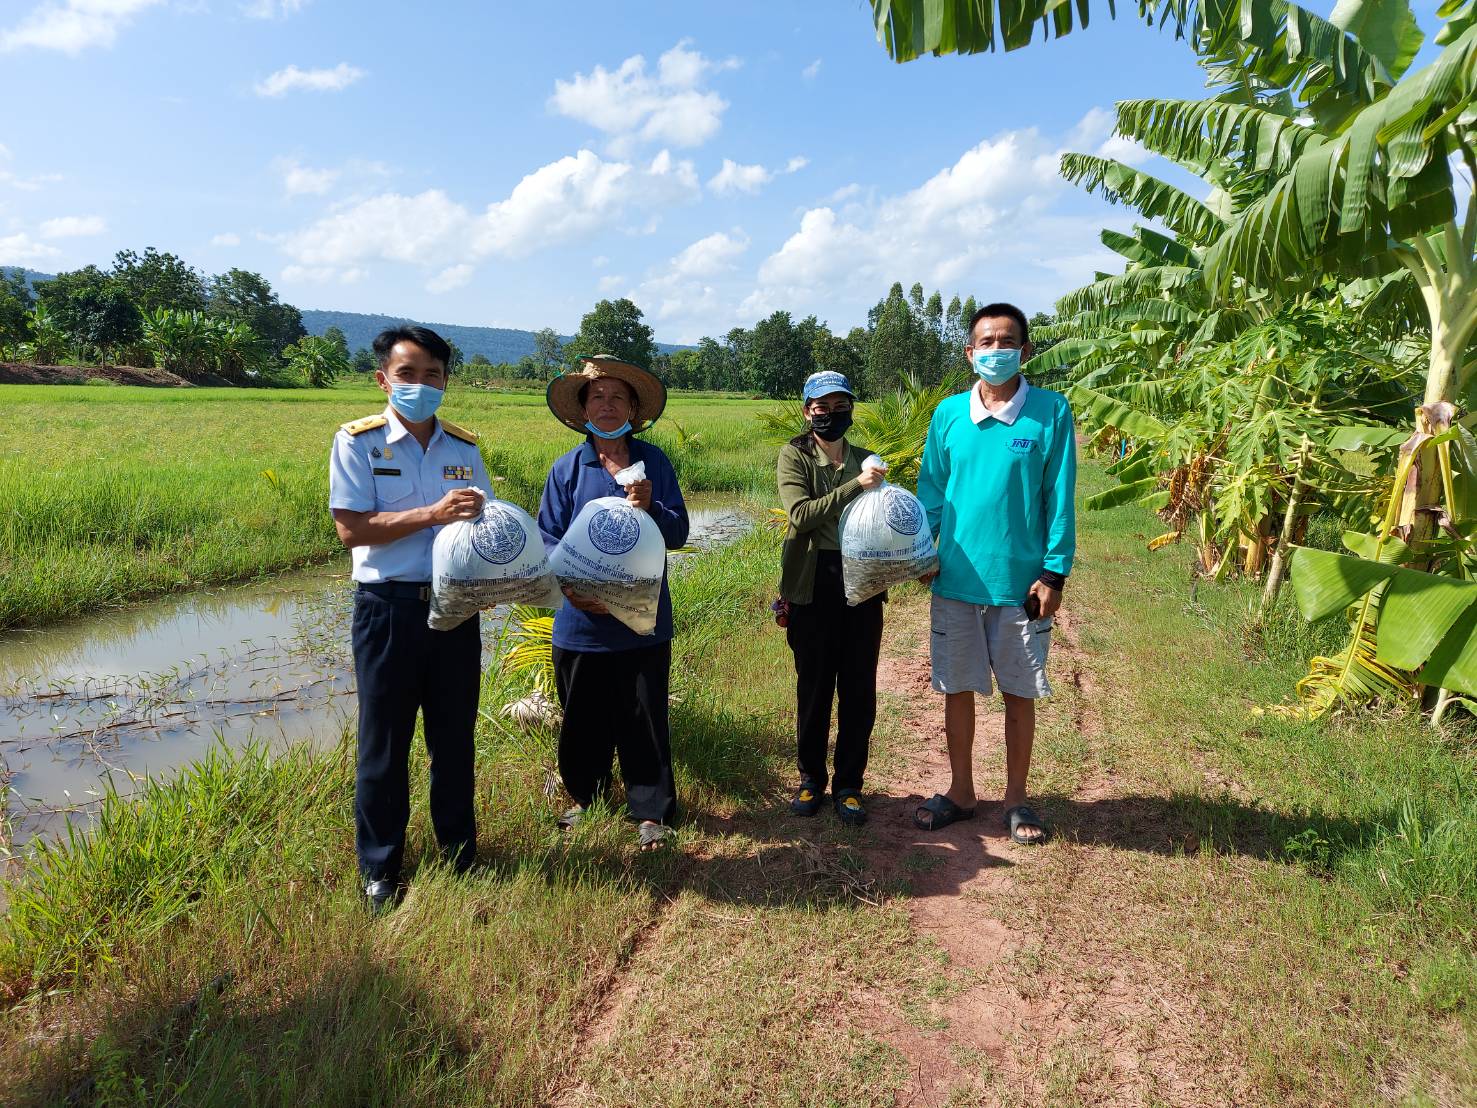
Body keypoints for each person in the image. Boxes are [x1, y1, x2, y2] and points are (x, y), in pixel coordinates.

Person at [328, 325, 491, 913]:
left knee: (454, 739)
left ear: (446, 381)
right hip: (388, 611)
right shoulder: (359, 443)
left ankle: (459, 850)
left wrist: (499, 573)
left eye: (432, 375)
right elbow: (352, 529)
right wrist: (432, 514)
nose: (420, 385)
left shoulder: (463, 449)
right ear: (383, 379)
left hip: (454, 609)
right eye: (408, 374)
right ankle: (380, 868)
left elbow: (483, 525)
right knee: (384, 744)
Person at [914, 303, 1076, 845]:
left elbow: (1060, 497)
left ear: (1025, 351)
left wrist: (1053, 574)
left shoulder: (1050, 412)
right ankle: (962, 791)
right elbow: (931, 492)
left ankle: (1016, 798)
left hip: (1019, 584)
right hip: (956, 579)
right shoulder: (949, 415)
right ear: (970, 353)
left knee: (1018, 691)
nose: (995, 350)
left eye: (1006, 341)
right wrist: (917, 552)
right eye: (985, 342)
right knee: (955, 687)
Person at [537, 355, 689, 851]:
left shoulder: (655, 465)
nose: (607, 405)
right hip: (579, 620)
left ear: (633, 410)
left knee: (644, 713)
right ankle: (585, 797)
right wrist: (575, 590)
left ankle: (651, 811)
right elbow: (546, 540)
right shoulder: (567, 469)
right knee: (581, 715)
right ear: (582, 410)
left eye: (617, 397)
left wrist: (652, 506)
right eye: (597, 397)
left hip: (641, 618)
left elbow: (679, 533)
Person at [777, 370, 887, 826]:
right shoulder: (795, 455)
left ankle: (849, 785)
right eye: (822, 407)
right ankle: (810, 781)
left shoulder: (866, 459)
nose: (831, 414)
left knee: (859, 687)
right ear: (808, 411)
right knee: (815, 686)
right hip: (812, 582)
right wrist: (855, 487)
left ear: (851, 411)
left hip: (861, 582)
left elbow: (881, 520)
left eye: (841, 406)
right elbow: (801, 516)